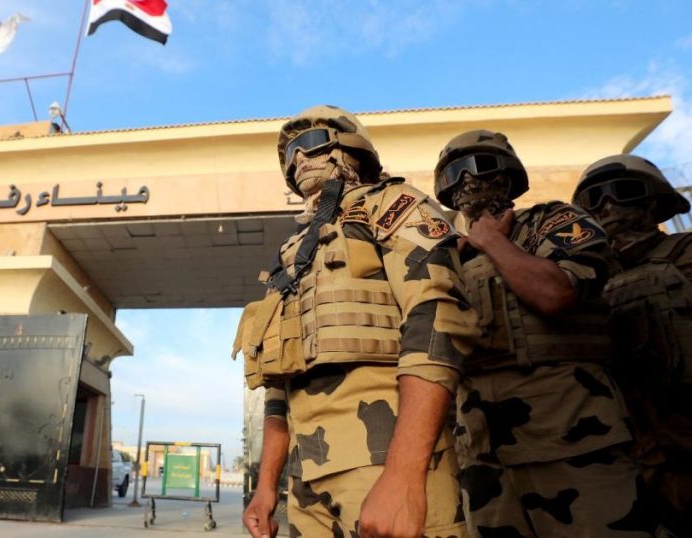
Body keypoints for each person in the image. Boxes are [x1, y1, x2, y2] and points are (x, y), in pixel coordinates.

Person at [235, 105, 479, 537]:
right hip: (307, 480)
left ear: (349, 147)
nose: (298, 158)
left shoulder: (393, 206)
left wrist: (404, 476)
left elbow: (438, 321)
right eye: (289, 153)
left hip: (384, 461)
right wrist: (267, 485)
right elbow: (277, 383)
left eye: (310, 144)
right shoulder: (291, 254)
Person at [435, 130, 652, 536]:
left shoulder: (552, 222)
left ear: (506, 175)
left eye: (479, 166)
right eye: (453, 173)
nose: (466, 180)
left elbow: (555, 295)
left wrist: (493, 242)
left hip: (573, 436)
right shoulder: (447, 256)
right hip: (482, 453)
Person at [573, 154, 692, 536]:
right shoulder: (582, 280)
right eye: (594, 199)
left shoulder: (684, 252)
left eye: (623, 191)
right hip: (638, 453)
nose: (608, 205)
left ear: (654, 202)